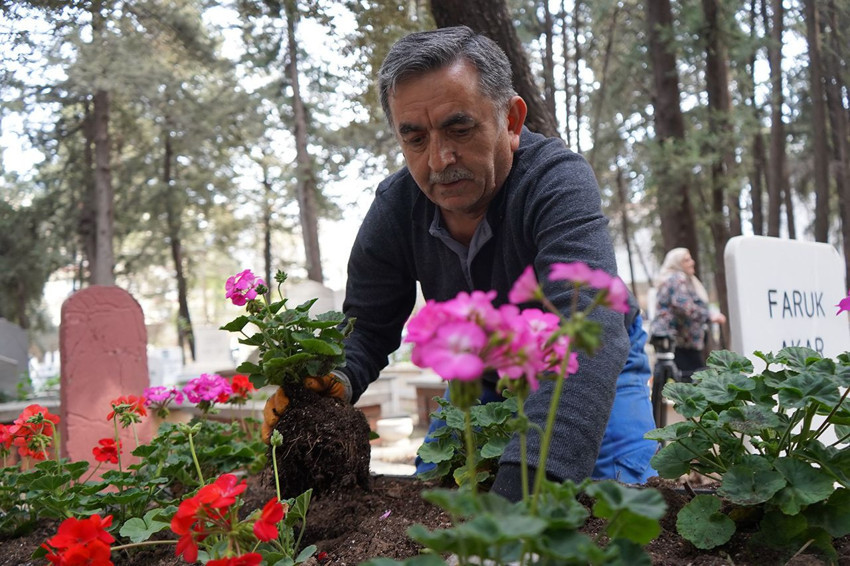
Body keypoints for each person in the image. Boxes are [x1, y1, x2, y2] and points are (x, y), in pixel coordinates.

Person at [264, 26, 657, 500]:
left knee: (614, 499)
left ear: (511, 121)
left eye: (459, 128)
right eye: (415, 138)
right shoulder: (395, 207)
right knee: (434, 499)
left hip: (592, 353)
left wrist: (522, 494)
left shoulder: (557, 182)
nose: (439, 159)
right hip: (482, 368)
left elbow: (585, 326)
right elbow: (368, 326)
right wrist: (337, 380)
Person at [650, 247, 726, 381]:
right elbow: (682, 305)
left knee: (686, 378)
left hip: (675, 341)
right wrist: (709, 316)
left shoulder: (675, 279)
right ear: (676, 263)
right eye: (686, 260)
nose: (692, 262)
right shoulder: (677, 278)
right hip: (679, 341)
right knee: (693, 380)